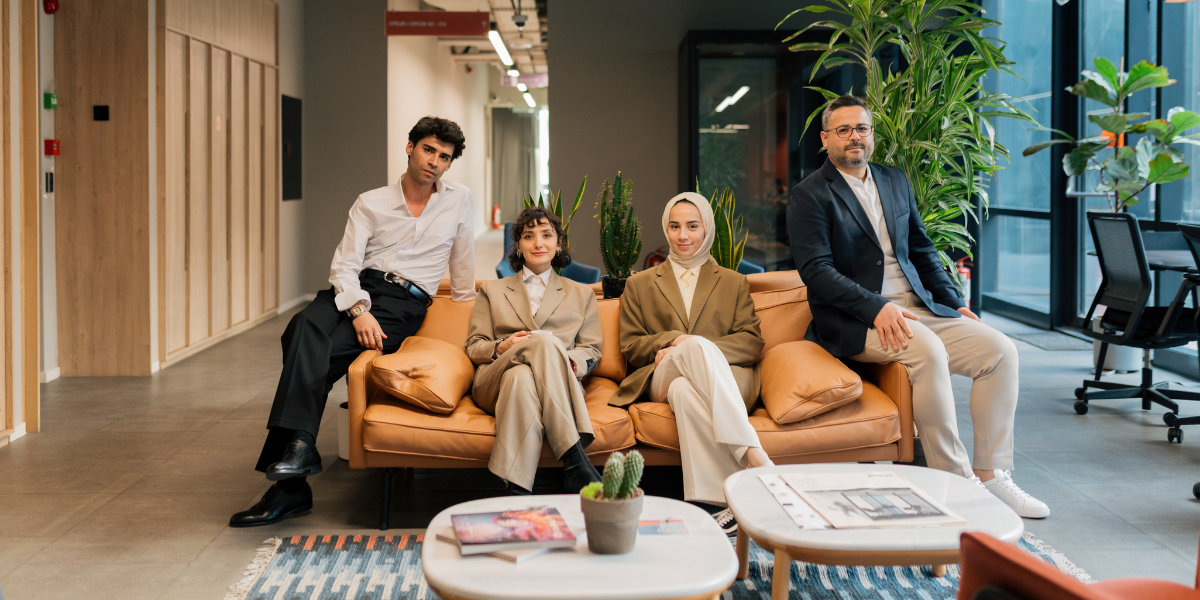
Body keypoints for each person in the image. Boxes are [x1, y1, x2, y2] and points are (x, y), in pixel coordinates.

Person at [786, 95, 1049, 519]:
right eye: (844, 130)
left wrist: (953, 302)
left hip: (919, 307)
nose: (855, 136)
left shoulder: (894, 180)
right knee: (927, 350)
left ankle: (990, 474)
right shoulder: (810, 194)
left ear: (872, 135)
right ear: (825, 139)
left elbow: (923, 250)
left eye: (862, 128)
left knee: (1000, 351)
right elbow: (816, 272)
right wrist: (876, 307)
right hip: (859, 320)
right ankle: (956, 481)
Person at [230, 116, 476, 527]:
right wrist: (359, 309)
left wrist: (469, 317)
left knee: (304, 345)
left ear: (450, 165)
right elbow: (344, 264)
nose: (434, 162)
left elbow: (464, 263)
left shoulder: (459, 199)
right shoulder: (371, 201)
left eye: (444, 157)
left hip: (404, 302)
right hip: (356, 287)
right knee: (303, 326)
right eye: (429, 150)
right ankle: (297, 455)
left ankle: (291, 478)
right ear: (410, 147)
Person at [612, 192, 774, 536]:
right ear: (666, 229)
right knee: (684, 361)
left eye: (692, 226)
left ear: (707, 230)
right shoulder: (639, 284)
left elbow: (751, 341)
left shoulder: (734, 281)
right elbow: (630, 345)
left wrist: (697, 348)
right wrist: (673, 341)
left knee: (686, 390)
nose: (683, 235)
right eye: (674, 226)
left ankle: (720, 503)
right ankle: (752, 455)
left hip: (726, 381)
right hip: (660, 376)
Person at [465, 207, 604, 495]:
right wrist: (503, 345)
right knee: (544, 343)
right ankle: (574, 457)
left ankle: (516, 490)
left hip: (555, 381)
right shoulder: (492, 290)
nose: (538, 243)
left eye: (546, 235)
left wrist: (567, 361)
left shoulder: (582, 293)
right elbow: (474, 346)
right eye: (529, 237)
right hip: (494, 381)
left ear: (559, 243)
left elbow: (591, 350)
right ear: (518, 246)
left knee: (522, 379)